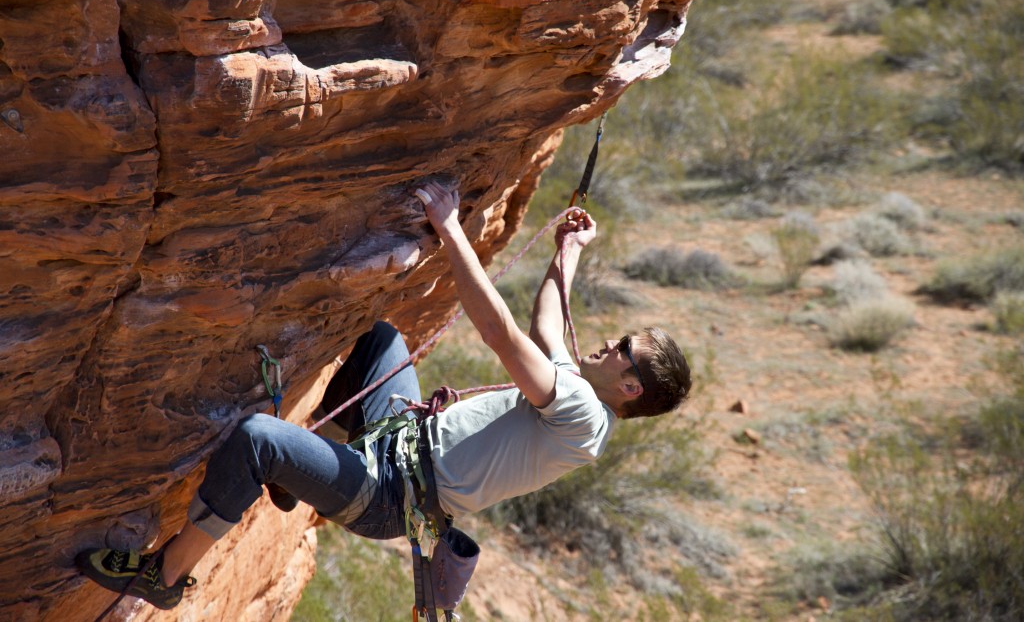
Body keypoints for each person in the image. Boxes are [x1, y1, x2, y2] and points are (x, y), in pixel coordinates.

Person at [76, 182, 692, 610]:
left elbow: (502, 336)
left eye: (623, 349)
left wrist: (450, 230)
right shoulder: (585, 397)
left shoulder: (584, 414)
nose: (610, 342)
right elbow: (545, 330)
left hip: (391, 496)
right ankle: (307, 468)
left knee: (256, 440)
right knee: (380, 340)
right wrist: (568, 254)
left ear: (630, 386)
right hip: (396, 443)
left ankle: (166, 574)